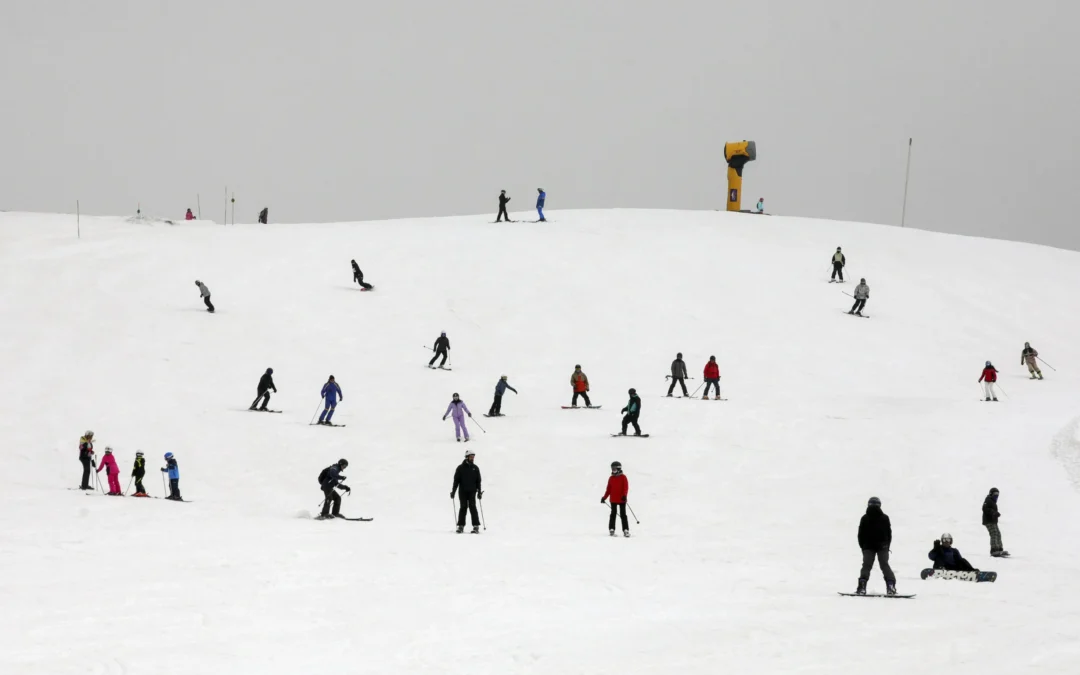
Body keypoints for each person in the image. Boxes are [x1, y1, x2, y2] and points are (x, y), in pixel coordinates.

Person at [856, 496, 897, 596]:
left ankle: (862, 587)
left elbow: (860, 534)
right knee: (884, 565)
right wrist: (887, 546)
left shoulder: (864, 518)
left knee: (866, 566)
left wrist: (863, 547)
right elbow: (889, 534)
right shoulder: (885, 518)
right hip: (882, 546)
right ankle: (890, 586)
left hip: (868, 546)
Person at [451, 450, 482, 533]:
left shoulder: (475, 468)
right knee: (463, 507)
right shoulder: (460, 468)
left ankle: (476, 526)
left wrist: (479, 492)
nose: (472, 458)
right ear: (467, 457)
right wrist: (453, 491)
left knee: (472, 507)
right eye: (471, 457)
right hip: (463, 491)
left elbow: (478, 481)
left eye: (473, 457)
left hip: (472, 491)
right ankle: (461, 526)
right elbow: (456, 481)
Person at [601, 460, 630, 537]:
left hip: (621, 499)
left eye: (614, 468)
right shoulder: (611, 478)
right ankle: (611, 529)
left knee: (623, 514)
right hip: (613, 499)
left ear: (619, 468)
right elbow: (608, 490)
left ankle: (625, 530)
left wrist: (624, 495)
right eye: (612, 468)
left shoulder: (623, 477)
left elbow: (625, 487)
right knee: (613, 514)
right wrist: (604, 497)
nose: (613, 470)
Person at [982, 487, 1009, 557]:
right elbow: (984, 508)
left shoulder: (993, 502)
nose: (996, 496)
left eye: (997, 494)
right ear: (991, 494)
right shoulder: (988, 500)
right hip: (988, 521)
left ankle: (999, 549)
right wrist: (993, 512)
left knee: (998, 534)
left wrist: (996, 514)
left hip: (993, 521)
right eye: (995, 494)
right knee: (994, 533)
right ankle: (994, 550)